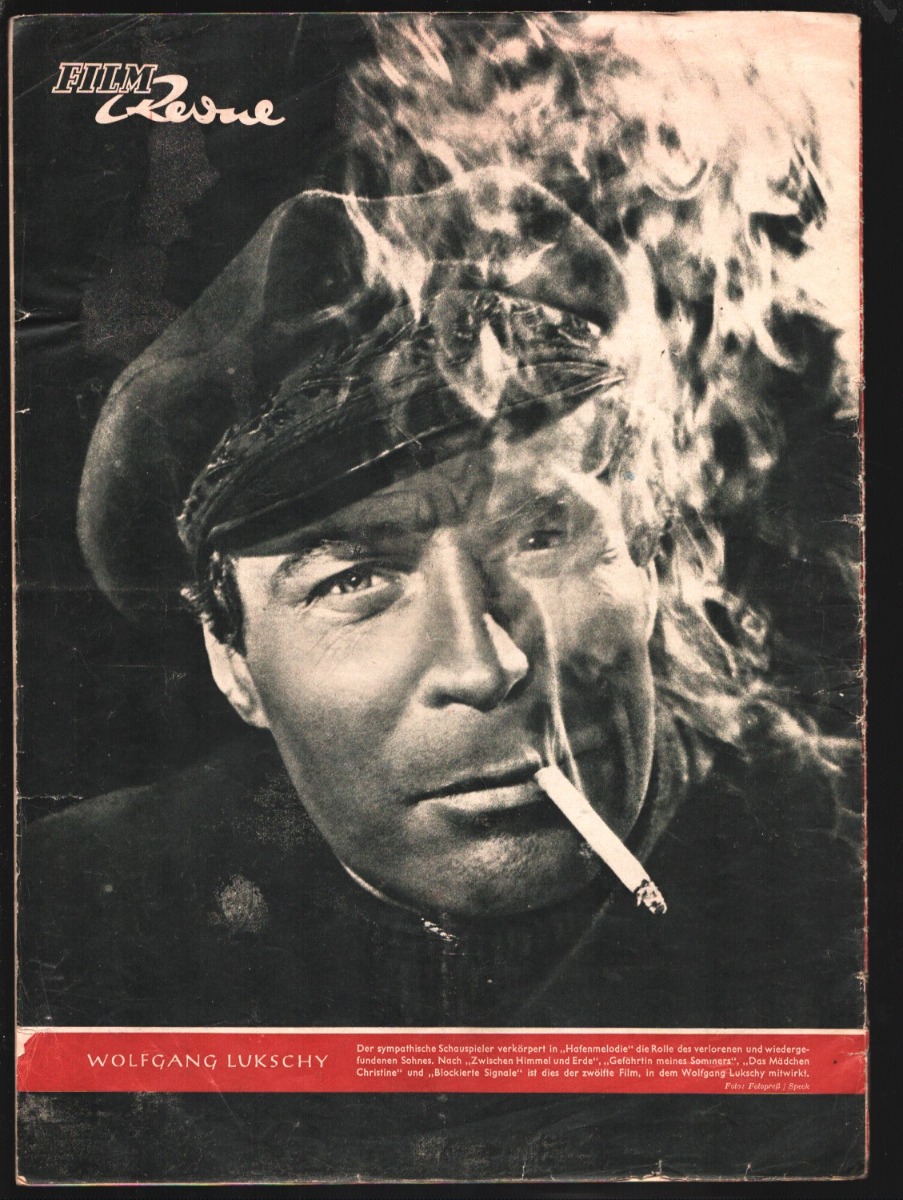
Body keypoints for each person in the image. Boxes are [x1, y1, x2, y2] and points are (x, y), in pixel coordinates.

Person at [19, 18, 861, 1035]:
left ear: (650, 555)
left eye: (542, 537)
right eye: (354, 580)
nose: (486, 661)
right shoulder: (73, 916)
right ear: (232, 662)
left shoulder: (840, 874)